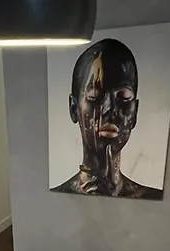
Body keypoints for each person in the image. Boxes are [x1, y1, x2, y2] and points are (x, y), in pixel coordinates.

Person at [52, 38, 163, 199]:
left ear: (135, 113)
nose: (109, 108)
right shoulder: (54, 199)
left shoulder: (152, 198)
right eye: (94, 96)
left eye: (124, 97)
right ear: (74, 108)